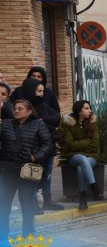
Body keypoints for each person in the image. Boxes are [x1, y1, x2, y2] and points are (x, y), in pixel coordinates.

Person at [0, 100, 53, 239]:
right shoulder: (6, 124)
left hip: (28, 169)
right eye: (15, 108)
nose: (16, 111)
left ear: (29, 111)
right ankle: (2, 232)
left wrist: (36, 157)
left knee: (27, 202)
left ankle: (28, 232)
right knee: (3, 201)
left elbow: (47, 144)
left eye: (20, 108)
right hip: (7, 170)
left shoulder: (38, 124)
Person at [20, 78, 62, 212]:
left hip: (48, 146)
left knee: (47, 176)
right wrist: (44, 121)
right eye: (38, 91)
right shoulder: (24, 107)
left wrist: (44, 119)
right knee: (33, 176)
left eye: (42, 91)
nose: (41, 95)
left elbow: (57, 119)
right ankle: (33, 203)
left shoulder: (43, 105)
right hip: (34, 148)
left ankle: (47, 200)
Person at [60, 100, 102, 210]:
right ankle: (94, 188)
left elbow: (95, 144)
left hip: (92, 155)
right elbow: (69, 144)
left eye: (89, 108)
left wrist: (80, 145)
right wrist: (87, 141)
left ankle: (82, 198)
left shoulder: (92, 122)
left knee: (81, 166)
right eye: (87, 108)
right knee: (82, 159)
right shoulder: (68, 123)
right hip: (73, 155)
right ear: (79, 111)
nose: (90, 111)